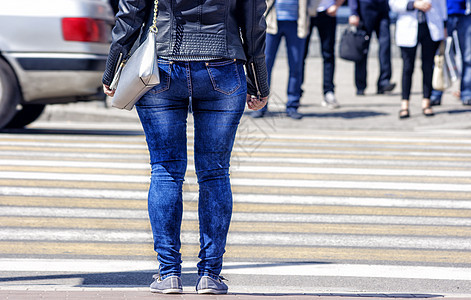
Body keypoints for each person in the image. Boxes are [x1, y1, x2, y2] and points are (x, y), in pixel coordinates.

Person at [102, 0, 269, 294]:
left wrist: (113, 69)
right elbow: (254, 20)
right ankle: (210, 275)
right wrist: (259, 80)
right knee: (215, 173)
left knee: (165, 170)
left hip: (162, 63)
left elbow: (129, 14)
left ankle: (168, 274)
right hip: (222, 62)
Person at [252, 0, 310, 119]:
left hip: (297, 23)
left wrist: (310, 10)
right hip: (271, 22)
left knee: (296, 65)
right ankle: (261, 104)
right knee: (265, 66)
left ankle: (293, 105)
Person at [389, 0, 447, 118]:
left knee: (427, 67)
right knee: (407, 67)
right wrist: (413, 4)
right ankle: (404, 104)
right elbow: (393, 4)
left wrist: (444, 25)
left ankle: (426, 102)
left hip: (431, 25)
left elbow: (442, 4)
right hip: (408, 26)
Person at [302, 0, 345, 109]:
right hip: (306, 12)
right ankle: (297, 91)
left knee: (328, 54)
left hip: (327, 12)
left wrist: (336, 5)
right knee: (301, 54)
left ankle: (329, 92)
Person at [348, 0, 396, 95]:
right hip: (364, 8)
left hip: (382, 8)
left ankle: (384, 82)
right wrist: (353, 12)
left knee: (385, 46)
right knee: (362, 48)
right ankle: (360, 85)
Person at [430, 0, 471, 106]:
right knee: (439, 56)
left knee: (468, 57)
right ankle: (436, 92)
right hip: (443, 13)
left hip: (465, 13)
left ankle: (467, 93)